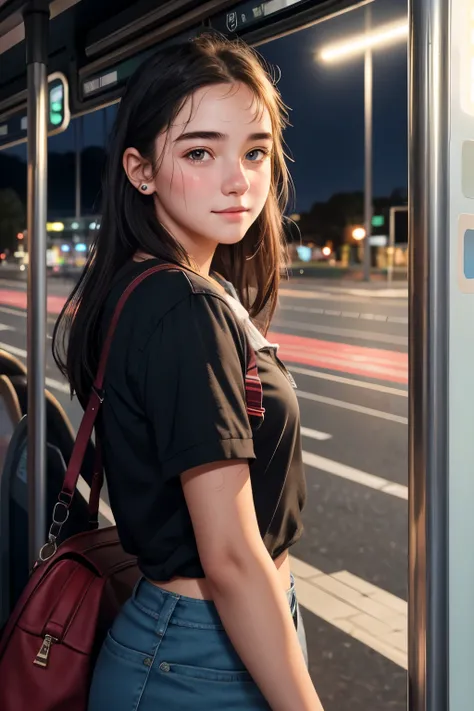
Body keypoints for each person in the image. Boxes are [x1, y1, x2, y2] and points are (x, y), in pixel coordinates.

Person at [53, 33, 324, 711]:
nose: (239, 179)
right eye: (200, 151)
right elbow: (230, 557)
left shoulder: (142, 286)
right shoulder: (183, 308)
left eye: (255, 151)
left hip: (188, 645)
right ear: (140, 171)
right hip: (201, 655)